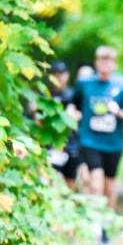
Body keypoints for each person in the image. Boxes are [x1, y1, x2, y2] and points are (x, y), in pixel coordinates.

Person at [69, 46, 123, 243]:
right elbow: (73, 103)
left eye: (109, 61)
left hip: (113, 143)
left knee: (109, 186)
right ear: (96, 63)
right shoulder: (84, 84)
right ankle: (96, 227)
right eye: (101, 60)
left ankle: (107, 222)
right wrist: (72, 112)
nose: (105, 65)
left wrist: (118, 112)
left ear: (114, 64)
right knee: (95, 183)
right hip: (89, 140)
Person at [48, 61, 83, 189]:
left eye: (61, 74)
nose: (59, 77)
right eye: (56, 74)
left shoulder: (73, 95)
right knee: (54, 179)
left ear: (67, 75)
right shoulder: (46, 96)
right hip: (52, 145)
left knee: (70, 183)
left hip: (71, 144)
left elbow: (80, 116)